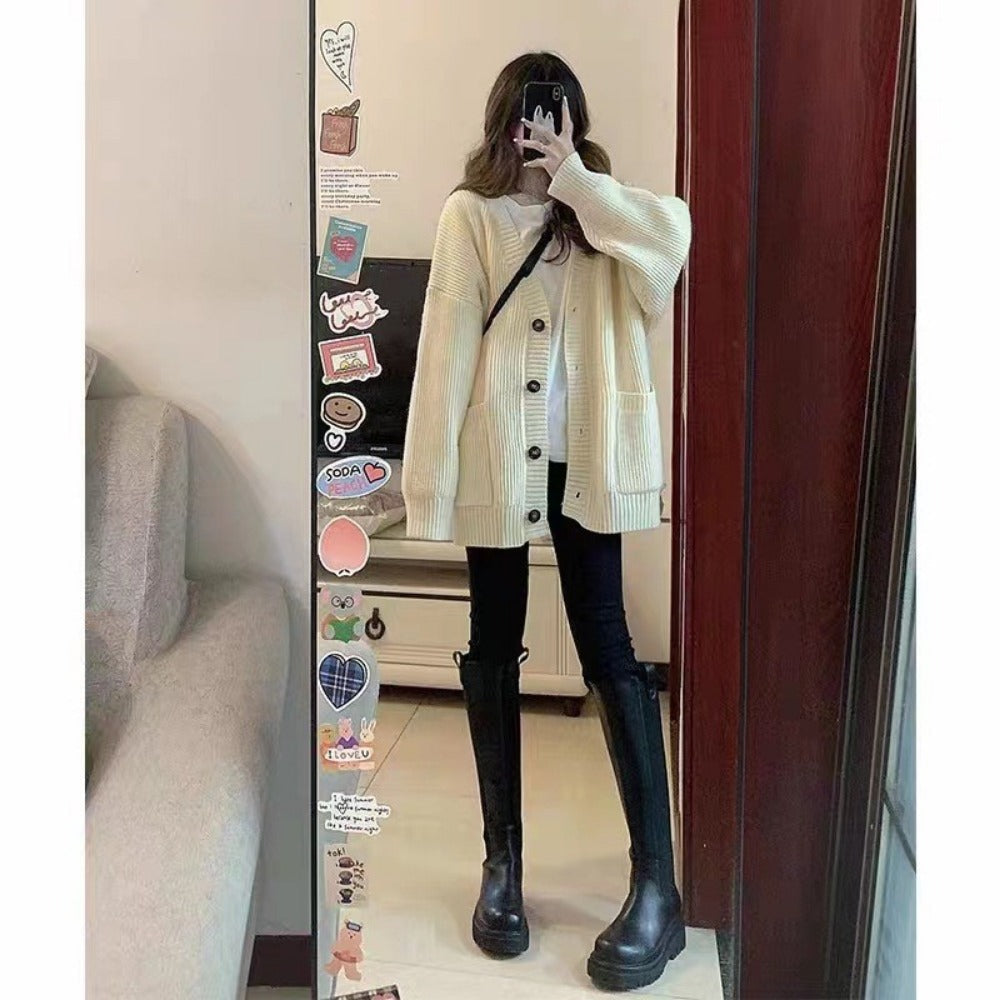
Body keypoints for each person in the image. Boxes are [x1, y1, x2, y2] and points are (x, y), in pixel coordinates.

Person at [401, 51, 692, 993]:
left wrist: (576, 180)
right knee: (493, 642)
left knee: (608, 644)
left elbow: (671, 247)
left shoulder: (606, 211)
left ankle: (658, 888)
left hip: (588, 462)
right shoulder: (469, 215)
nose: (540, 127)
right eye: (530, 113)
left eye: (555, 112)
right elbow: (444, 347)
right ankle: (503, 868)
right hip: (499, 456)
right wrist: (428, 487)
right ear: (505, 119)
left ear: (574, 119)